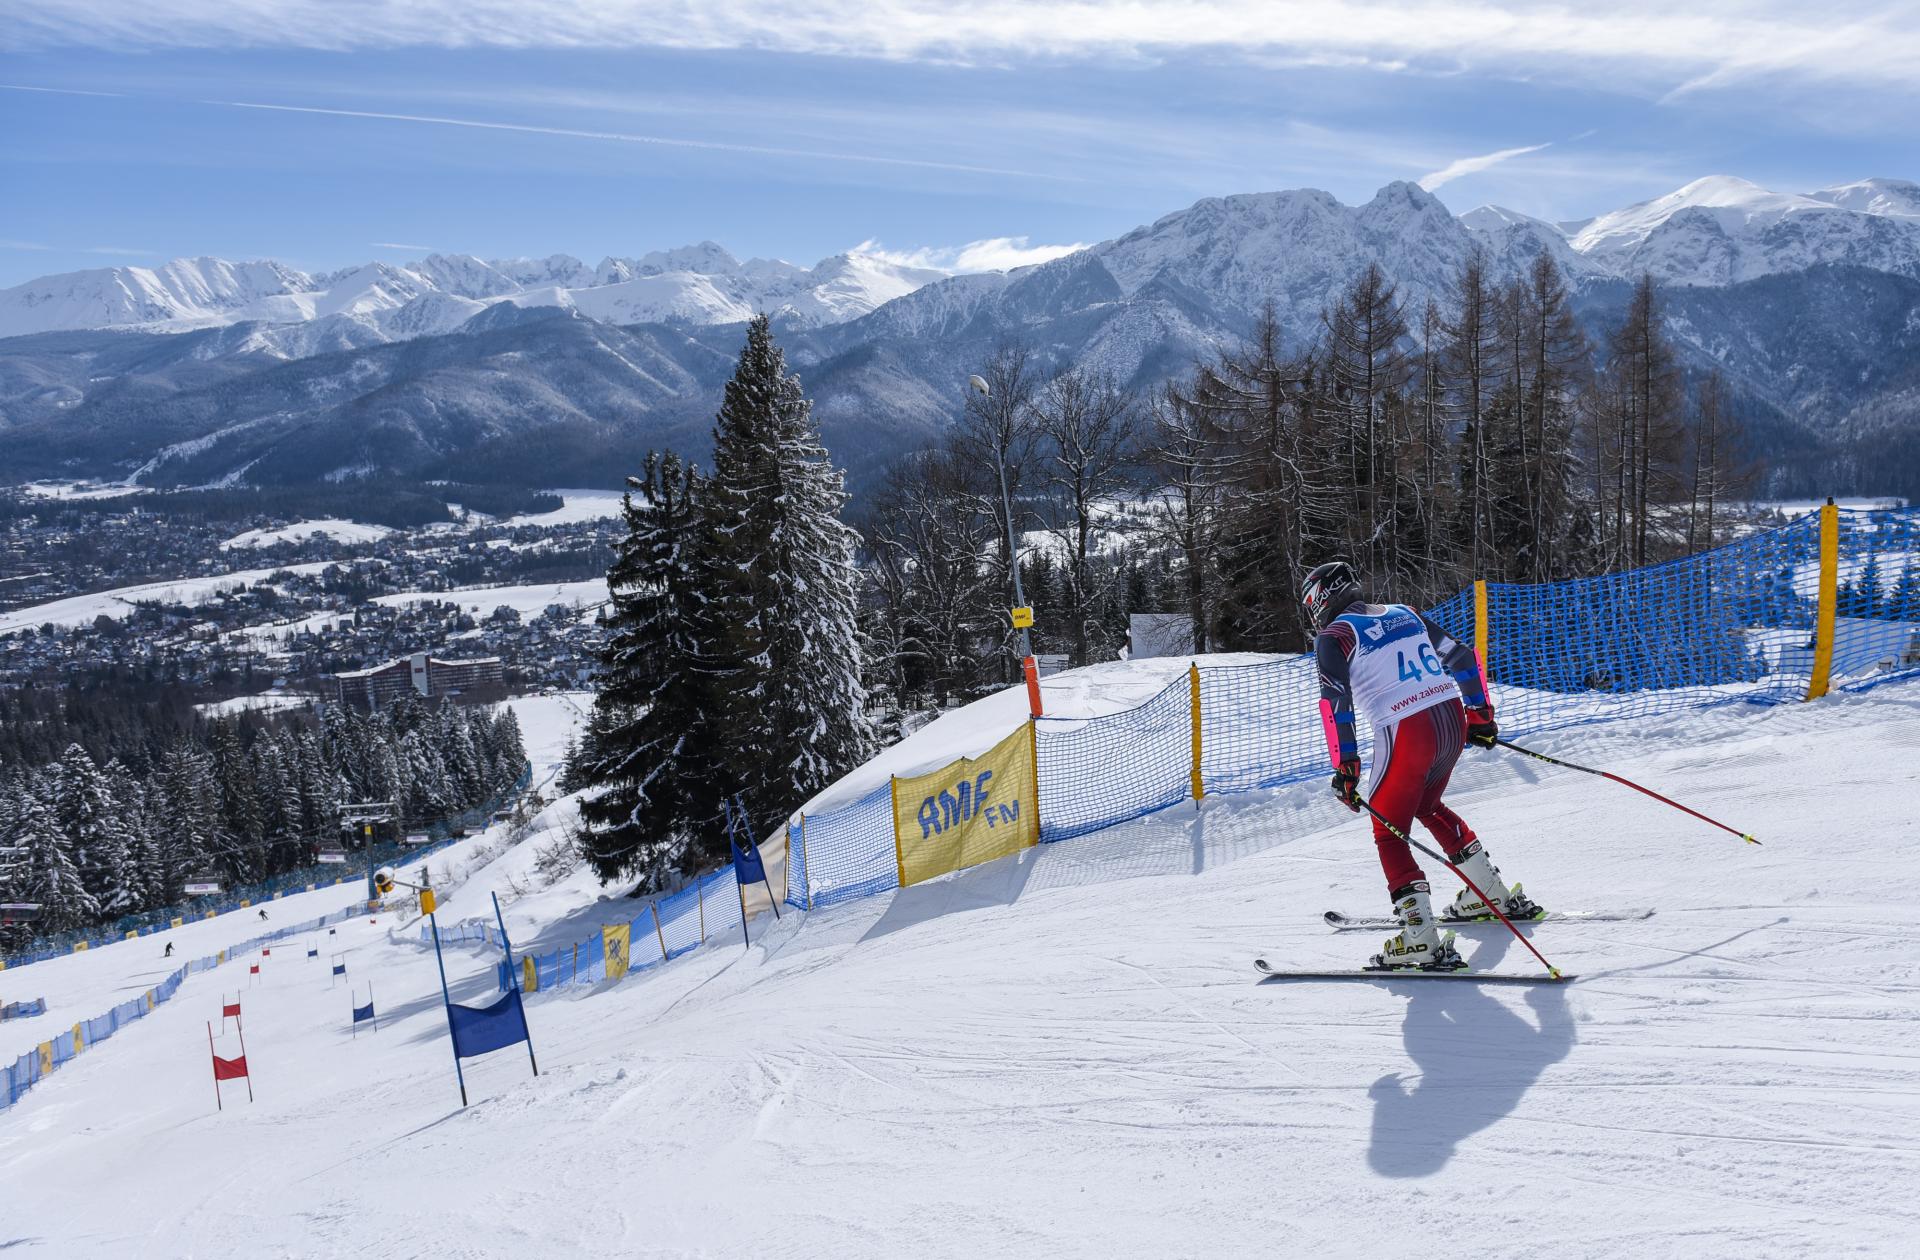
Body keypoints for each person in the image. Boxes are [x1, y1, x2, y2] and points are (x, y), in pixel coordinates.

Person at [1304, 559, 1539, 971]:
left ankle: (1420, 938)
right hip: (1448, 718)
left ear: (1320, 599)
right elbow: (1462, 657)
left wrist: (1345, 765)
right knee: (1425, 806)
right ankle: (1490, 892)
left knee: (1388, 829)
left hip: (1407, 729)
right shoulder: (1405, 613)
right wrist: (1480, 716)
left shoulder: (1334, 636)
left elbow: (1335, 703)